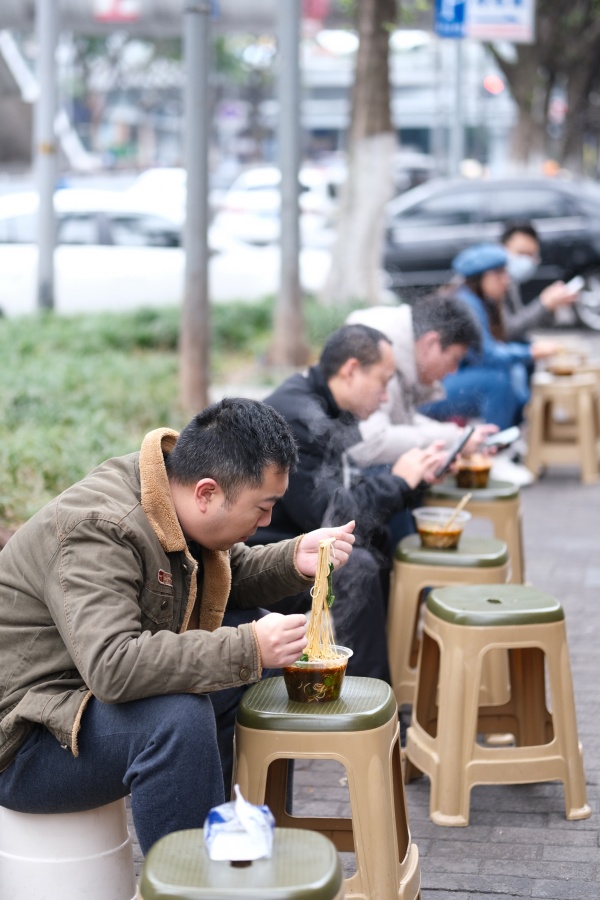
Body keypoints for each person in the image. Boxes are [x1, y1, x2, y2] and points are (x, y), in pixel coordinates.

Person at [0, 398, 356, 856]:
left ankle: (243, 836)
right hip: (28, 740)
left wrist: (293, 557)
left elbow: (221, 574)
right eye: (263, 507)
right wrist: (249, 646)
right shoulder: (99, 528)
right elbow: (114, 666)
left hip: (82, 705)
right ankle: (190, 881)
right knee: (177, 719)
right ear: (207, 492)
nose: (267, 521)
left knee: (261, 661)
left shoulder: (172, 494)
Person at [249, 324, 446, 683]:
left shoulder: (319, 403)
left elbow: (345, 494)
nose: (386, 397)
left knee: (378, 541)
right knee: (358, 567)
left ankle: (383, 679)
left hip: (297, 543)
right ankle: (368, 695)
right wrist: (399, 480)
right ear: (351, 370)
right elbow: (334, 516)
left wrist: (415, 481)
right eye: (383, 382)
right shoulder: (300, 419)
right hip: (262, 562)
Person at [418, 243, 559, 431]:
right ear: (480, 278)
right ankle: (495, 444)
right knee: (497, 382)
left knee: (511, 371)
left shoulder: (477, 299)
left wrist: (528, 350)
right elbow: (486, 354)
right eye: (498, 274)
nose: (505, 280)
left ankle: (513, 434)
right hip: (434, 387)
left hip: (455, 376)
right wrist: (530, 352)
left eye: (505, 273)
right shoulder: (466, 304)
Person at [344, 295, 496, 467]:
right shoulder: (374, 357)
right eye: (455, 359)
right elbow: (367, 442)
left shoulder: (399, 354)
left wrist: (460, 435)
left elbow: (401, 421)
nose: (454, 371)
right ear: (431, 343)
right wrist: (454, 440)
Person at [501, 221, 581, 341]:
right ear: (502, 249)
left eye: (532, 255)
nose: (527, 261)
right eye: (521, 253)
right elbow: (507, 330)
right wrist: (544, 303)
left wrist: (552, 306)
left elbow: (521, 323)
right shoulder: (493, 283)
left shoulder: (511, 281)